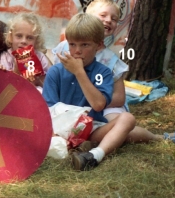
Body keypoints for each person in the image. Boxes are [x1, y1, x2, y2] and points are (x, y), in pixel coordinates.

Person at [53, 0, 175, 144]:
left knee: (122, 129)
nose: (109, 20)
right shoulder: (64, 48)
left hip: (106, 106)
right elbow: (53, 79)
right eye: (103, 15)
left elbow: (119, 98)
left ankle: (159, 138)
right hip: (70, 104)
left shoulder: (111, 61)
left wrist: (93, 103)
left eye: (114, 18)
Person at [43, 13, 136, 170]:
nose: (77, 51)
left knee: (128, 119)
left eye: (84, 45)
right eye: (72, 44)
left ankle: (94, 155)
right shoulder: (56, 72)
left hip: (92, 129)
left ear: (98, 46)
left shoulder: (103, 72)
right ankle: (159, 137)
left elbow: (99, 105)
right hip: (61, 130)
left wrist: (80, 72)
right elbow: (48, 109)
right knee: (128, 135)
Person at [0, 13, 51, 90]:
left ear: (36, 41)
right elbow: (5, 85)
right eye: (19, 36)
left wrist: (38, 78)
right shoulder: (5, 57)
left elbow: (49, 84)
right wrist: (16, 71)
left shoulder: (40, 57)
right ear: (10, 37)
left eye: (29, 38)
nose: (23, 41)